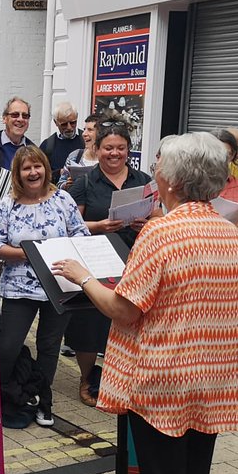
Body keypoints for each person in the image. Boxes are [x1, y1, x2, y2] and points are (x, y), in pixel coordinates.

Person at [52, 133, 238, 474]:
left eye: (159, 166)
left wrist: (81, 275)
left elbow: (124, 308)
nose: (154, 172)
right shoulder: (228, 231)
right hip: (214, 378)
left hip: (164, 380)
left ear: (173, 179)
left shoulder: (160, 234)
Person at [0, 145, 89, 428]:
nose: (33, 172)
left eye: (38, 166)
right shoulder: (9, 203)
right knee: (7, 348)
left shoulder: (64, 199)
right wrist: (27, 253)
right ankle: (4, 398)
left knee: (49, 346)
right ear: (18, 174)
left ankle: (43, 401)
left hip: (60, 285)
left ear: (46, 168)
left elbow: (81, 235)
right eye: (26, 168)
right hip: (18, 287)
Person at [66, 121, 153, 406]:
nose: (114, 154)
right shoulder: (85, 182)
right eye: (108, 148)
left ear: (129, 149)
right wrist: (100, 225)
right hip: (98, 257)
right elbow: (73, 224)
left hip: (136, 258)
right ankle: (88, 376)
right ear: (97, 149)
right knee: (90, 320)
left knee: (132, 318)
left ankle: (125, 377)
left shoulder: (142, 180)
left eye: (121, 148)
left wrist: (147, 223)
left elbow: (160, 215)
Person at [39, 101, 80, 183]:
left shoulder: (86, 140)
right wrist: (59, 173)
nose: (69, 127)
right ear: (55, 122)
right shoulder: (47, 146)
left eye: (73, 123)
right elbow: (39, 174)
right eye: (64, 124)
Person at [58, 114, 101, 189]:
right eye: (84, 129)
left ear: (101, 133)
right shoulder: (75, 156)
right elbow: (59, 184)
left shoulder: (108, 158)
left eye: (90, 130)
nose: (84, 134)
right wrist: (66, 185)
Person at [0, 97, 34, 170]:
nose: (20, 119)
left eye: (25, 116)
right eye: (15, 115)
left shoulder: (34, 150)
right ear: (4, 119)